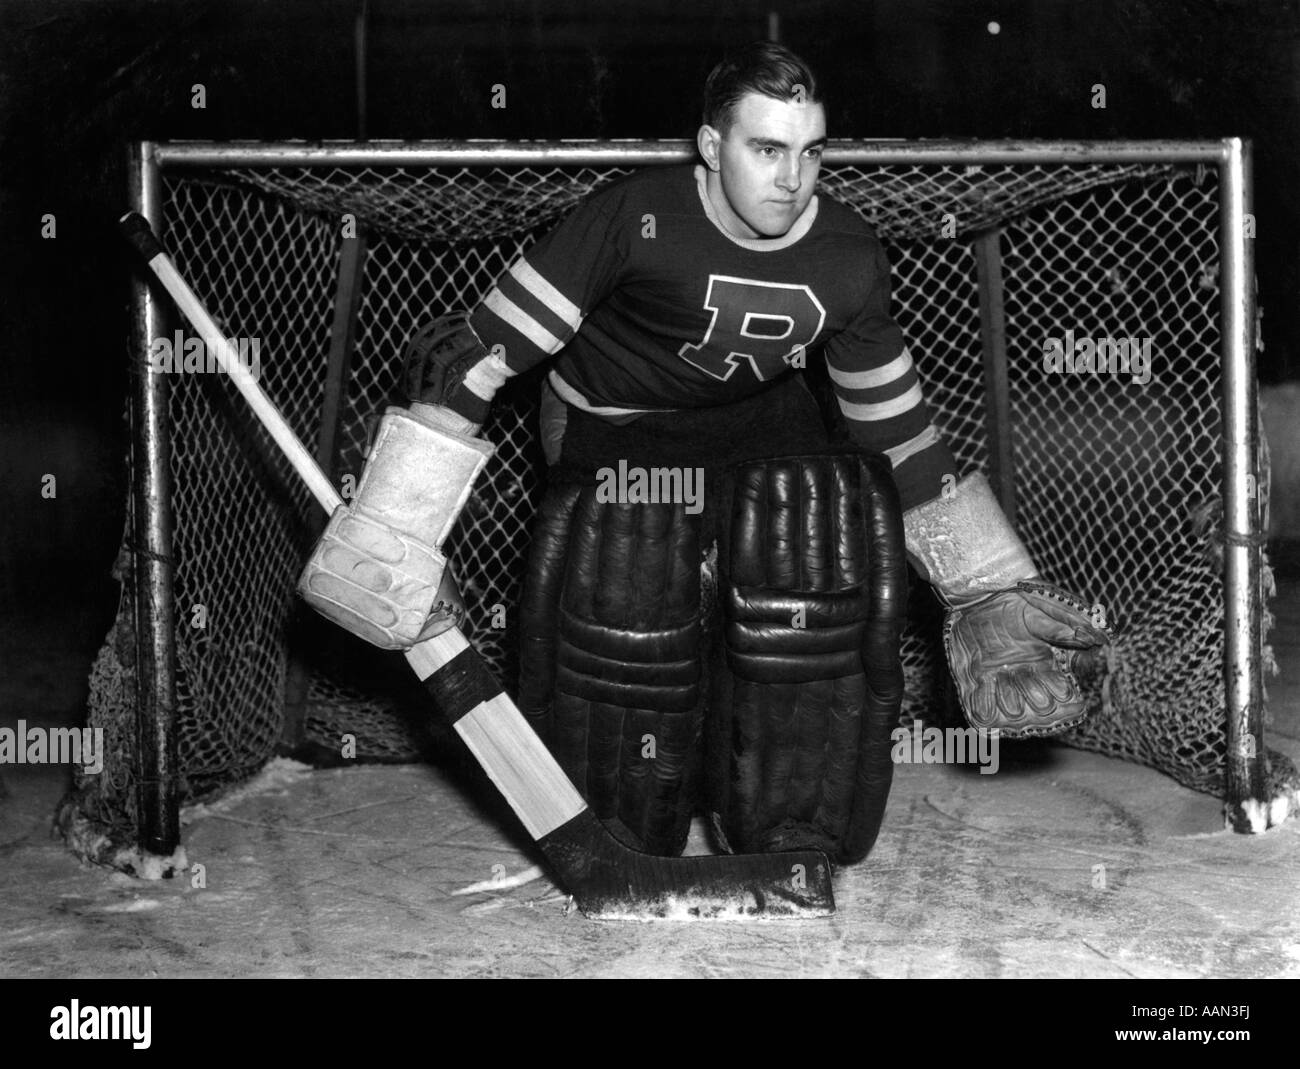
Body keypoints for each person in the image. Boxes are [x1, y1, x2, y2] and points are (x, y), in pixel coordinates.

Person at [298, 41, 1109, 865]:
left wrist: (982, 585)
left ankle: (788, 821)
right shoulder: (633, 216)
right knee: (632, 572)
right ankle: (617, 816)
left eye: (811, 151)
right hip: (614, 421)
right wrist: (397, 518)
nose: (793, 179)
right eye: (766, 149)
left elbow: (894, 427)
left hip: (756, 416)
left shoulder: (849, 254)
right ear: (713, 148)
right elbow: (478, 357)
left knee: (813, 556)